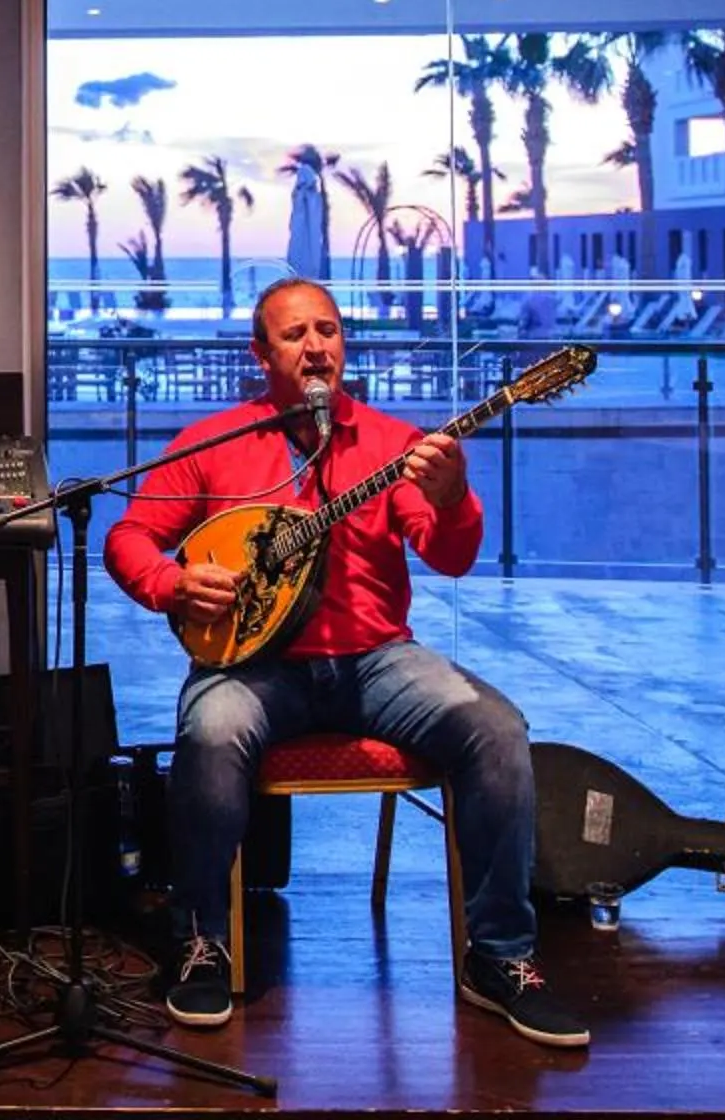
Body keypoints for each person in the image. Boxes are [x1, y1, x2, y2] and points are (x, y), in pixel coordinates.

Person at [104, 278, 587, 1047]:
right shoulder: (218, 443)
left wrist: (456, 495)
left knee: (497, 729)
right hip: (254, 667)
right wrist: (171, 584)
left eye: (328, 330)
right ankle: (200, 941)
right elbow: (128, 537)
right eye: (295, 335)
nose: (316, 346)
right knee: (210, 729)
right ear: (262, 354)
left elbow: (451, 555)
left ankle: (500, 956)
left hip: (376, 662)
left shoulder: (394, 445)